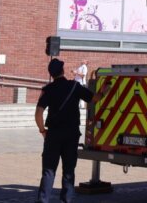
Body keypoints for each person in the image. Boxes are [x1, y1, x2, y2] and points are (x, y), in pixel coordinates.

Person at [36, 58, 103, 203]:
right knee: (68, 171)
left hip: (53, 134)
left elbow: (38, 113)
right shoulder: (74, 86)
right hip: (71, 135)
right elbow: (95, 98)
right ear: (63, 70)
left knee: (48, 171)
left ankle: (43, 200)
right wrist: (104, 91)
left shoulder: (47, 90)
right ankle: (66, 200)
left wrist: (43, 130)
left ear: (51, 74)